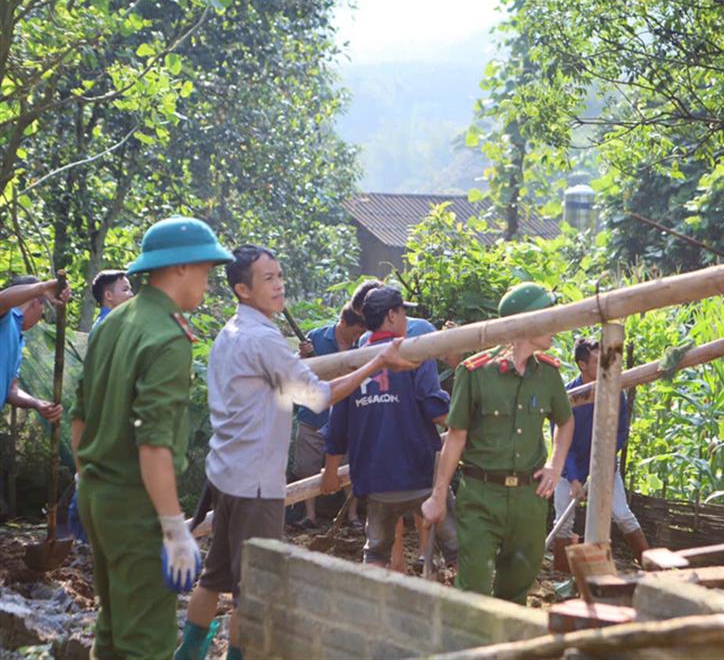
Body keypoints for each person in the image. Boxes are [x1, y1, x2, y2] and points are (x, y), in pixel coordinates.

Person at [179, 246, 416, 660]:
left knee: (213, 577)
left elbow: (288, 386)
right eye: (267, 278)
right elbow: (317, 397)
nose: (278, 285)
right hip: (254, 484)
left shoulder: (232, 332)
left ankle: (188, 654)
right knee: (254, 591)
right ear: (242, 289)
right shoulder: (264, 339)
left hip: (226, 474)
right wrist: (376, 362)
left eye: (279, 275)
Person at [71, 217, 233, 660]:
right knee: (149, 643)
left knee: (113, 629)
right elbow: (154, 445)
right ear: (179, 268)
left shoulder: (114, 321)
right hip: (136, 505)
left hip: (98, 497)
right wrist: (172, 526)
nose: (209, 280)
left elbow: (79, 416)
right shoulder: (167, 336)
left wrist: (86, 479)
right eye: (205, 269)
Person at [422, 282, 574, 604]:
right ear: (525, 323)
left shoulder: (547, 374)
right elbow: (456, 437)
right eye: (548, 316)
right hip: (481, 497)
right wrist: (438, 497)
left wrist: (555, 466)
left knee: (516, 590)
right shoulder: (475, 373)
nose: (557, 326)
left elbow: (565, 420)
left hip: (529, 500)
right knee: (473, 588)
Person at [321, 285, 458, 570]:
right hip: (418, 473)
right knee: (456, 548)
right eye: (403, 312)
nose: (407, 319)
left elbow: (338, 424)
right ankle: (465, 608)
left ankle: (372, 611)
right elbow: (434, 410)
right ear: (392, 316)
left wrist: (331, 471)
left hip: (374, 479)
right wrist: (467, 425)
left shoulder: (354, 362)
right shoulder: (415, 354)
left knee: (376, 553)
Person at [551, 338, 649, 572]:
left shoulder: (614, 392)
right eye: (597, 361)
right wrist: (575, 478)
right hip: (569, 468)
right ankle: (560, 575)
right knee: (563, 522)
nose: (604, 365)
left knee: (623, 515)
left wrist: (601, 464)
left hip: (604, 466)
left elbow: (620, 431)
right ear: (582, 365)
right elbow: (563, 443)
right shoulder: (567, 395)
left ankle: (651, 565)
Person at [293, 304, 367, 528]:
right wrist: (303, 355)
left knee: (349, 468)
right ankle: (310, 515)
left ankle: (352, 515)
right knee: (307, 467)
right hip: (314, 415)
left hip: (348, 415)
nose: (358, 334)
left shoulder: (362, 344)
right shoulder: (316, 337)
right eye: (355, 329)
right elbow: (296, 369)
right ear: (343, 323)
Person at [0, 275, 71, 421]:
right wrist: (42, 288)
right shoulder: (7, 318)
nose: (41, 316)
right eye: (43, 308)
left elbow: (11, 390)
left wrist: (36, 403)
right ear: (35, 303)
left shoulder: (18, 338)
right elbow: (3, 300)